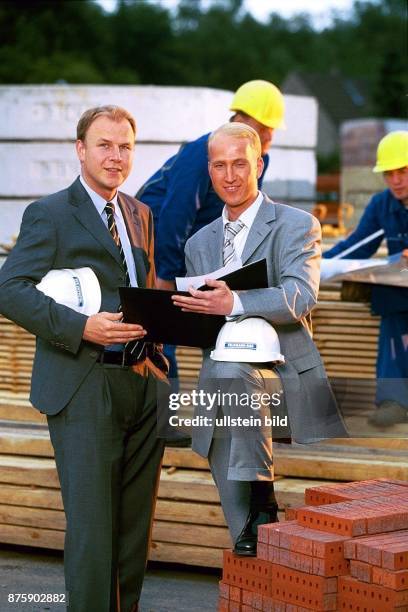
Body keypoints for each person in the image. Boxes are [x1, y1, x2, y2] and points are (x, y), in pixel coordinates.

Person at [0, 105, 167, 612]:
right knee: (95, 533)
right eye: (104, 145)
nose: (116, 157)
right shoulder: (49, 213)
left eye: (125, 147)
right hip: (83, 383)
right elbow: (9, 289)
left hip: (142, 384)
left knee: (133, 533)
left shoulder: (140, 215)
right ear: (80, 150)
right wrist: (81, 327)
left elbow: (142, 289)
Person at [172, 123, 347, 556]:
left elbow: (300, 296)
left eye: (239, 164)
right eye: (219, 166)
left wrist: (233, 302)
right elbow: (206, 331)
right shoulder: (199, 243)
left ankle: (262, 496)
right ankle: (257, 533)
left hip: (280, 374)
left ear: (259, 165)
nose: (229, 176)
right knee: (245, 533)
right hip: (223, 379)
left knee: (231, 378)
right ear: (209, 171)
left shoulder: (296, 225)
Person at [137, 80, 285, 385]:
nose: (271, 135)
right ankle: (166, 420)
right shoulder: (200, 152)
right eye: (265, 127)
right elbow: (175, 217)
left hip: (192, 245)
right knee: (163, 334)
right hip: (152, 243)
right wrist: (165, 276)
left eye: (272, 129)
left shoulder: (259, 158)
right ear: (240, 120)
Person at [324, 131, 408, 427]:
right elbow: (357, 245)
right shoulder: (382, 205)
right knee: (389, 302)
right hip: (402, 289)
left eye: (403, 171)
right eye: (389, 173)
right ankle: (394, 401)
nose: (395, 180)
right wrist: (317, 263)